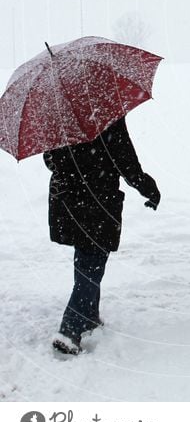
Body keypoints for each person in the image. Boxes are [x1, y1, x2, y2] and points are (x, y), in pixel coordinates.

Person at [44, 115, 161, 355]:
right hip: (98, 199)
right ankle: (70, 330)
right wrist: (146, 187)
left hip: (68, 200)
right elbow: (124, 159)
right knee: (92, 262)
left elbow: (50, 159)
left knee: (87, 258)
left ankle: (89, 316)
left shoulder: (58, 111)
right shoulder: (106, 113)